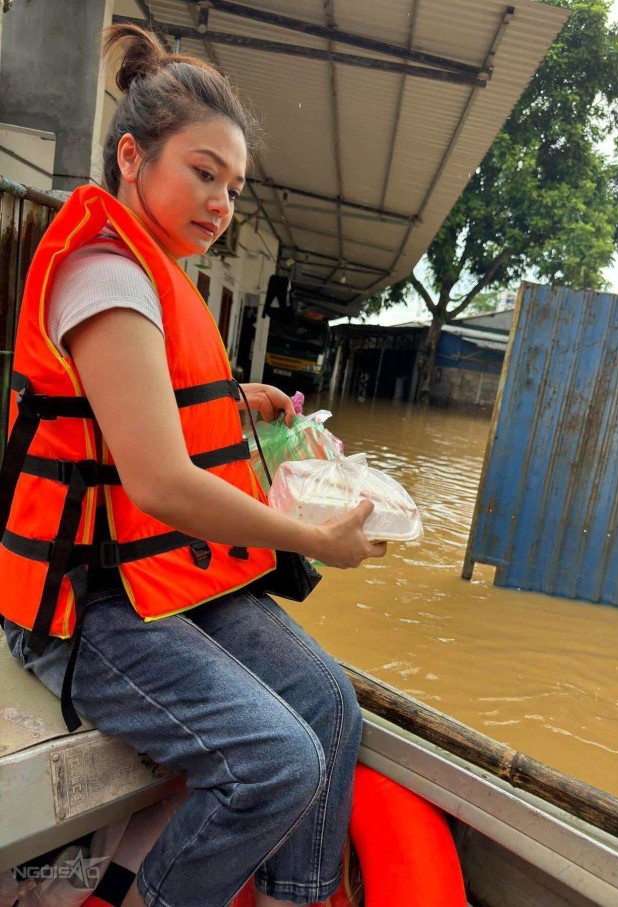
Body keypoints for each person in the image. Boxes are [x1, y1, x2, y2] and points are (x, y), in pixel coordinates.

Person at [0, 23, 386, 907]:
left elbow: (153, 397)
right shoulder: (104, 274)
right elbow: (162, 483)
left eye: (233, 186)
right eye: (203, 172)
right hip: (84, 601)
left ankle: (296, 899)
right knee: (277, 761)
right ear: (132, 158)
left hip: (158, 574)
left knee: (330, 702)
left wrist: (238, 395)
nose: (221, 202)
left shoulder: (156, 272)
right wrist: (312, 537)